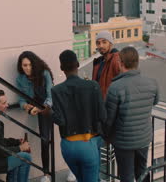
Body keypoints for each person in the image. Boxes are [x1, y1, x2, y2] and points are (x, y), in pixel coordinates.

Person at [104, 47, 159, 182]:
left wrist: (105, 136)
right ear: (137, 62)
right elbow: (155, 101)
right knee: (142, 170)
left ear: (120, 62)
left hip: (124, 140)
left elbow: (108, 118)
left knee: (126, 175)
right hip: (143, 137)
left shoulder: (116, 87)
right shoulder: (152, 83)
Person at [51, 50, 106, 182]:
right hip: (88, 143)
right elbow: (103, 116)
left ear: (61, 68)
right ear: (78, 64)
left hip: (68, 146)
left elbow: (60, 120)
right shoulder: (93, 86)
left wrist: (49, 113)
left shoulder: (56, 90)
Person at [16, 51, 55, 182]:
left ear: (34, 65)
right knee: (44, 140)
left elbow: (50, 96)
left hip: (48, 107)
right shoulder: (20, 79)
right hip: (35, 108)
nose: (26, 68)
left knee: (60, 137)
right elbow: (21, 100)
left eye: (29, 65)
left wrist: (41, 108)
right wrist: (27, 107)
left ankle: (71, 170)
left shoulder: (44, 74)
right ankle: (46, 174)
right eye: (24, 65)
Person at [92, 30, 121, 181]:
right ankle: (100, 178)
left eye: (104, 42)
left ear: (110, 43)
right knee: (101, 147)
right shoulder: (99, 62)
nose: (101, 45)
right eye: (98, 42)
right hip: (101, 112)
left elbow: (122, 83)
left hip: (111, 112)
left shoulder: (116, 59)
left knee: (110, 149)